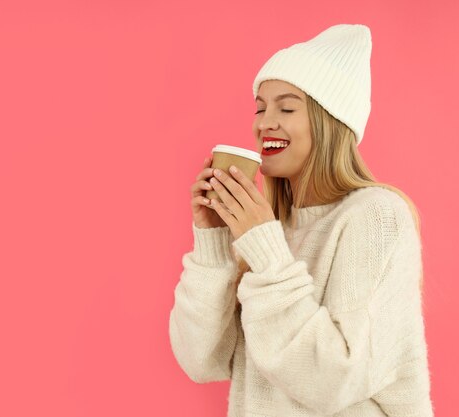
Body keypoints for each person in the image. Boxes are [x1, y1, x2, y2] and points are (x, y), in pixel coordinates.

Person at [168, 24, 434, 416]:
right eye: (260, 107)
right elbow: (201, 361)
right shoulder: (276, 230)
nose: (264, 123)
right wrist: (213, 243)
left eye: (287, 108)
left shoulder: (376, 215)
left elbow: (334, 381)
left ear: (330, 122)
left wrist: (265, 248)